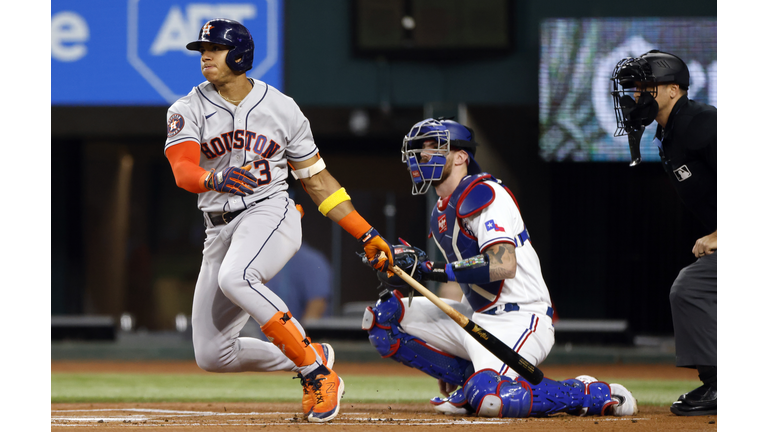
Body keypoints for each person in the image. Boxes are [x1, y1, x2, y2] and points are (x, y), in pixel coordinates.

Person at [163, 18, 393, 423]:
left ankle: (317, 373)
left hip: (270, 211)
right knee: (213, 354)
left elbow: (318, 182)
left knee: (236, 278)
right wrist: (213, 177)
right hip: (218, 227)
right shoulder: (187, 108)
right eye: (202, 50)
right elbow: (183, 171)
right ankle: (311, 354)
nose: (205, 57)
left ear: (240, 55)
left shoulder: (282, 108)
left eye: (214, 49)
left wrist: (365, 231)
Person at [362, 118, 638, 418]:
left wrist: (431, 269)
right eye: (417, 151)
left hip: (521, 317)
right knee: (382, 319)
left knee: (490, 398)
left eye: (431, 149)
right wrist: (449, 357)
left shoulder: (486, 193)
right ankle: (467, 380)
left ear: (461, 156)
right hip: (477, 316)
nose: (420, 157)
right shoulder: (440, 211)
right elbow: (464, 283)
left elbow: (502, 264)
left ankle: (590, 394)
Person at [611, 50, 717, 416]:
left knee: (692, 288)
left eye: (646, 87)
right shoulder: (670, 132)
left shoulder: (702, 122)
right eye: (635, 88)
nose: (637, 95)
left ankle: (721, 384)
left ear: (674, 90)